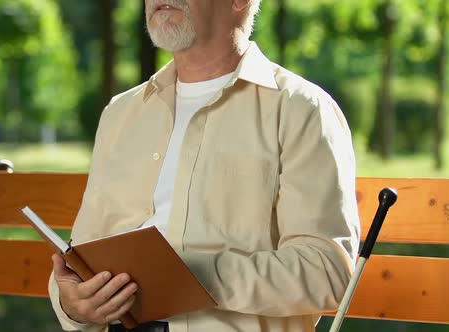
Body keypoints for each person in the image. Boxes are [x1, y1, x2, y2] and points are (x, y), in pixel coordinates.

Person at [48, 0, 361, 331]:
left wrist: (194, 277)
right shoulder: (120, 114)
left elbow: (327, 271)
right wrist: (74, 305)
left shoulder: (302, 110)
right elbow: (79, 259)